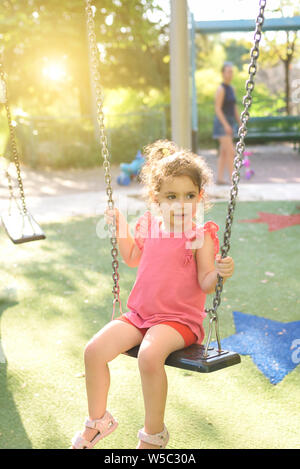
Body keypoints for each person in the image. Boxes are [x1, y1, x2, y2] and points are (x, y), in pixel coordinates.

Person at [71, 140, 235, 449]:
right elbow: (133, 256)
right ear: (155, 198)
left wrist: (220, 273)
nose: (180, 204)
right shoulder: (148, 224)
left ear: (199, 198)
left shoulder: (201, 236)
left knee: (148, 357)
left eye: (189, 196)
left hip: (178, 321)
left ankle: (153, 436)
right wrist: (120, 225)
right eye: (171, 196)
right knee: (93, 352)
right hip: (140, 315)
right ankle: (98, 422)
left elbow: (206, 283)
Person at [212, 62, 241, 185]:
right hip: (222, 124)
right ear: (223, 73)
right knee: (230, 151)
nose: (230, 74)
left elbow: (234, 108)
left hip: (230, 122)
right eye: (228, 71)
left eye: (231, 71)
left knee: (224, 152)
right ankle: (232, 179)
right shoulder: (221, 89)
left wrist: (240, 123)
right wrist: (226, 125)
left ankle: (219, 178)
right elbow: (217, 109)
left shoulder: (232, 88)